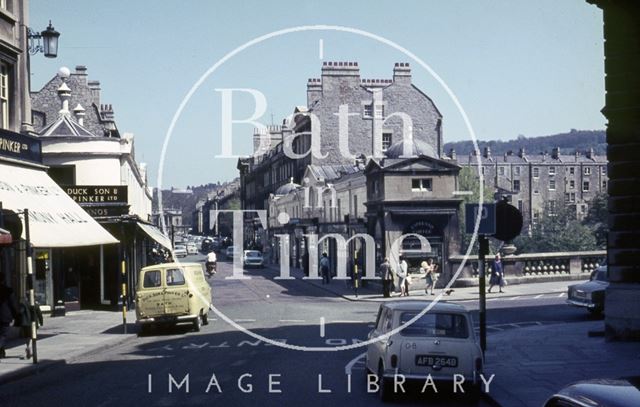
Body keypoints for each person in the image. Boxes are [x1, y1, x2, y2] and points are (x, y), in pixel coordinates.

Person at [0, 272, 19, 359]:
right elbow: (13, 304)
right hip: (4, 316)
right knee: (3, 335)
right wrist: (16, 315)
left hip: (4, 316)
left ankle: (1, 353)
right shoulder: (8, 290)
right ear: (3, 280)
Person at [18, 295, 43, 360]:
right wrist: (41, 322)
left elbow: (20, 312)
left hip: (25, 324)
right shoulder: (36, 305)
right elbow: (39, 314)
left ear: (27, 297)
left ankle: (28, 347)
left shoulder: (23, 304)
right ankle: (31, 350)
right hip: (33, 324)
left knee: (27, 336)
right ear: (33, 298)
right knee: (33, 337)